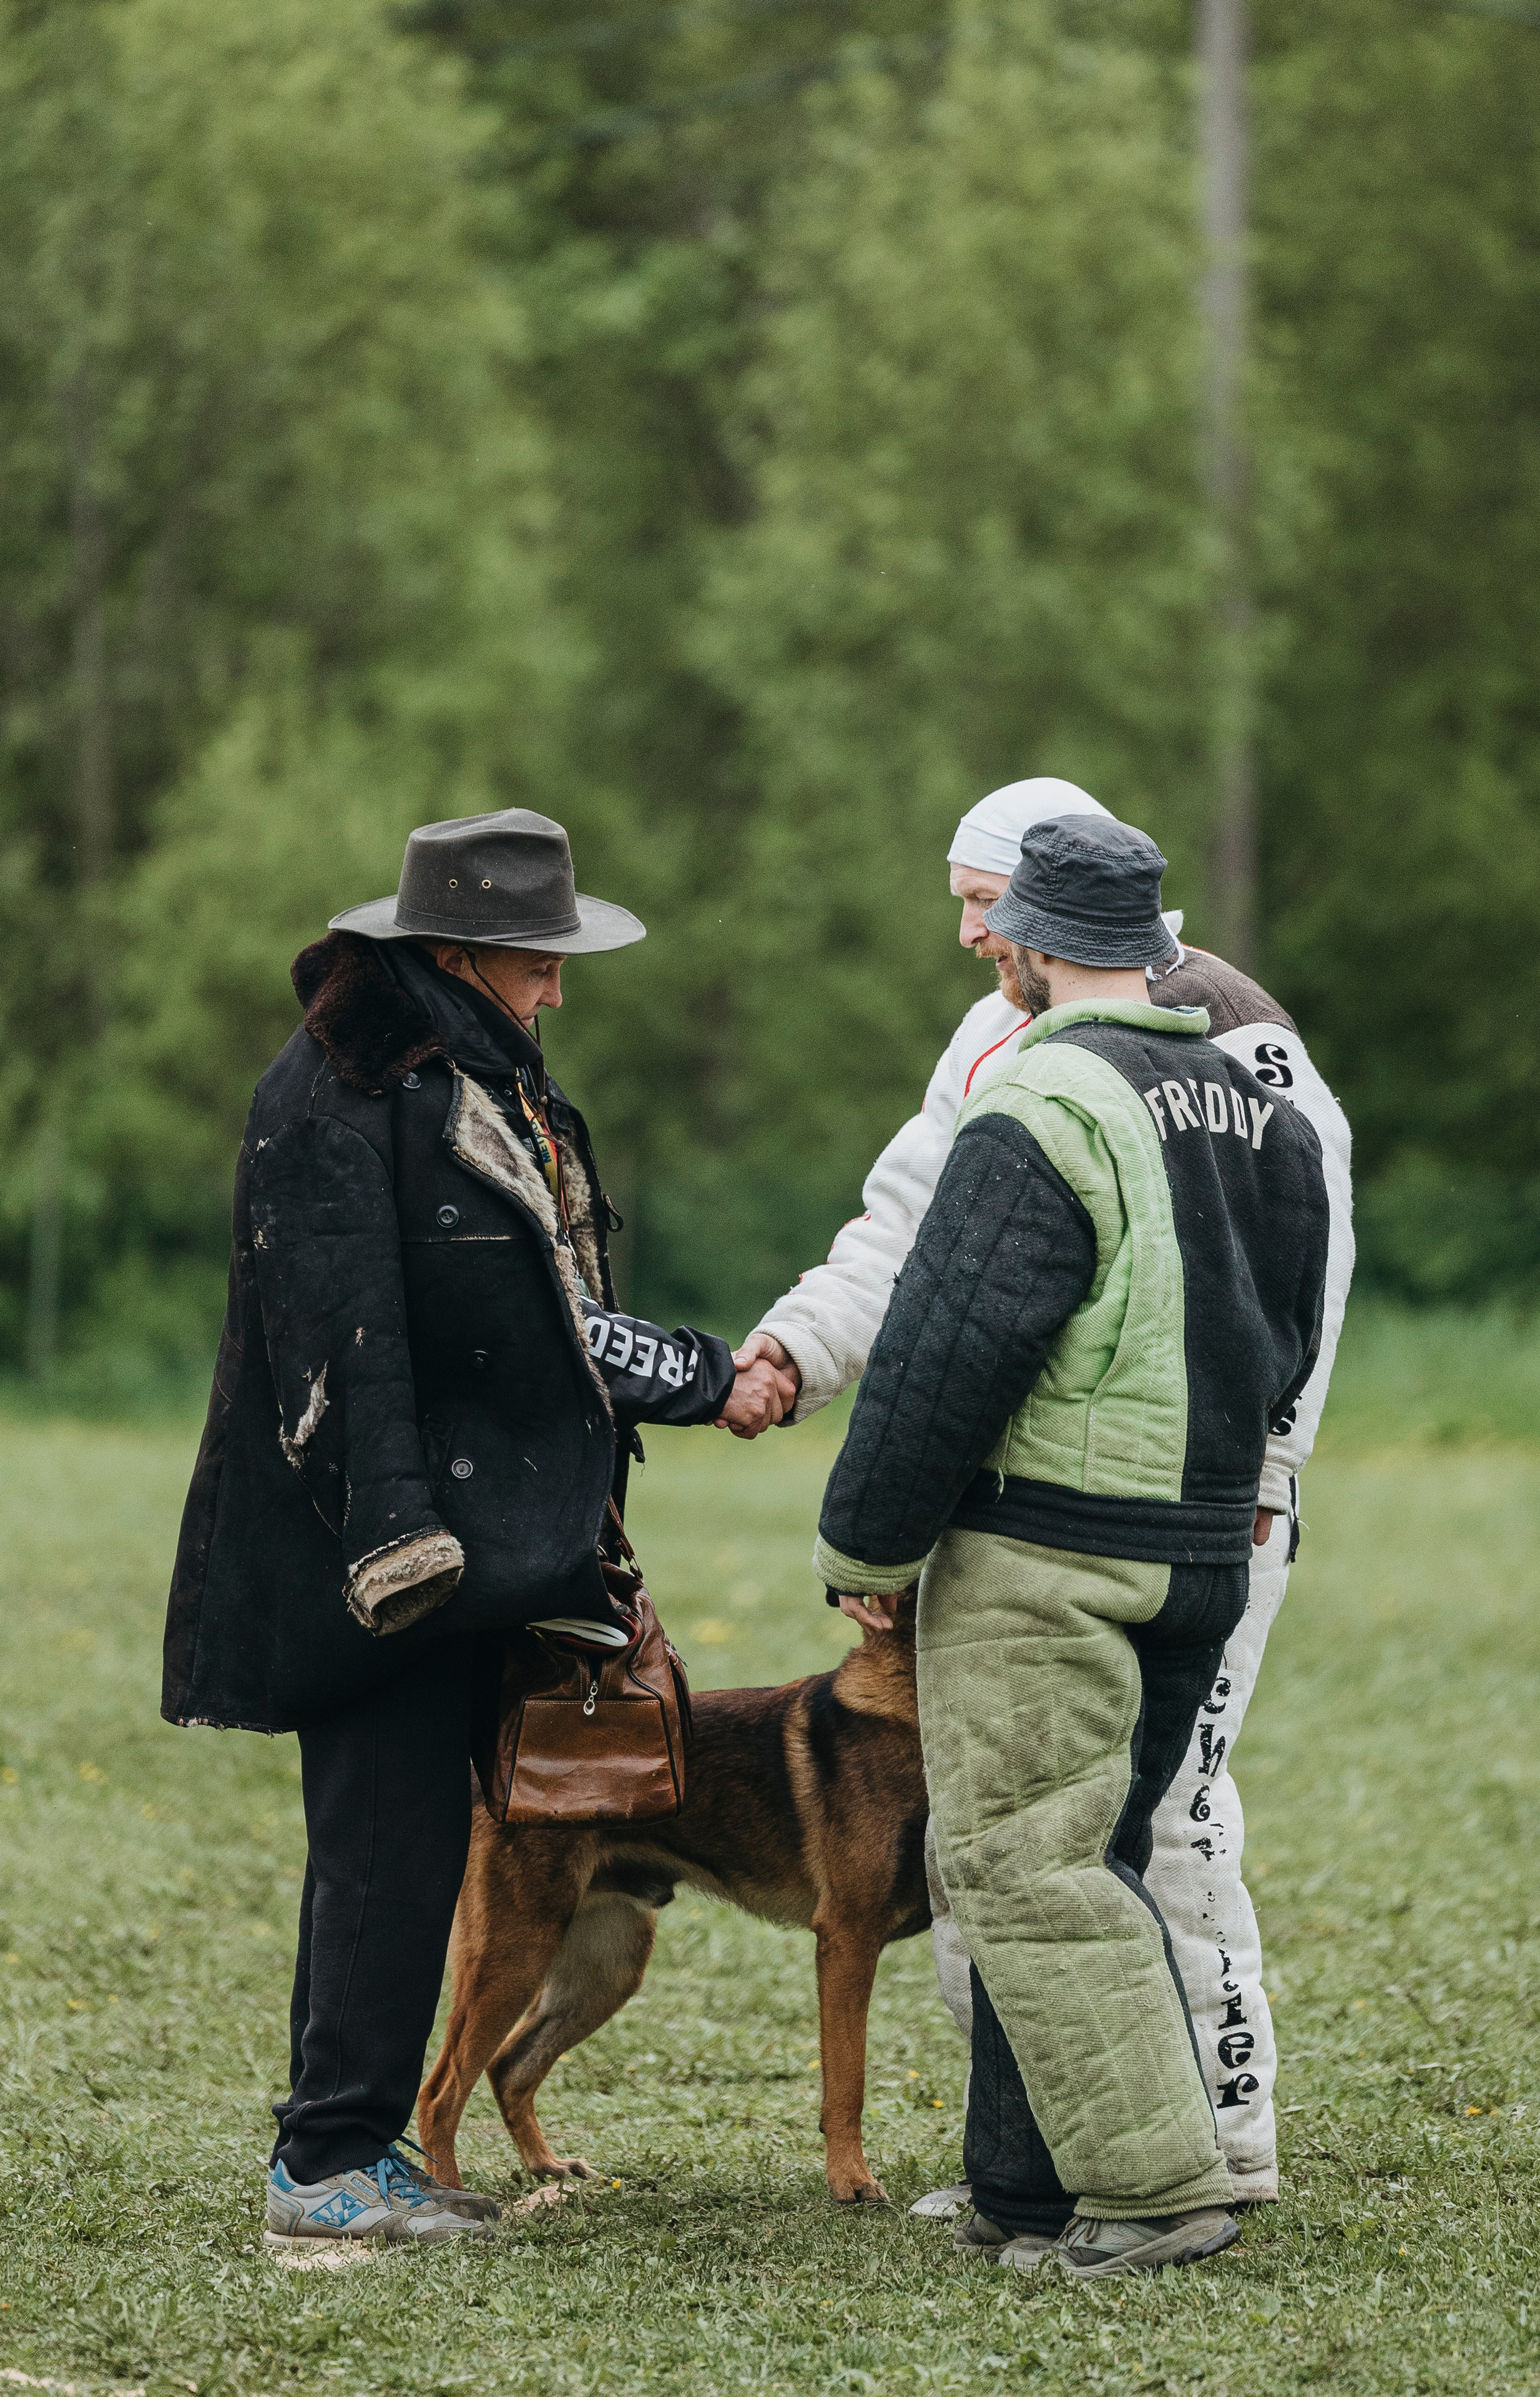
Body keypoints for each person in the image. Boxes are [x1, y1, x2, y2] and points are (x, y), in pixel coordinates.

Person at [162, 808, 784, 2248]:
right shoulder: (338, 1090)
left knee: (410, 1853)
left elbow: (546, 1326)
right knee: (382, 1851)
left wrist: (698, 1375)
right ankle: (328, 2168)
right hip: (380, 1553)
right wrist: (393, 1544)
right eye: (534, 961)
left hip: (469, 1541)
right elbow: (341, 1340)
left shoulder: (472, 1077)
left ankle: (349, 2151)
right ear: (452, 952)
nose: (556, 987)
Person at [738, 778, 1353, 2210]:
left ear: (1037, 907)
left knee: (1161, 1818)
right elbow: (911, 1230)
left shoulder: (1230, 1034)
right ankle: (1032, 2163)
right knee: (999, 1833)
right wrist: (794, 1345)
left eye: (976, 902)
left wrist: (1258, 1466)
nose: (962, 932)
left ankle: (1219, 2131)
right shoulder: (1001, 1031)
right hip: (1033, 1511)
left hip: (1179, 1503)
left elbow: (1288, 1270)